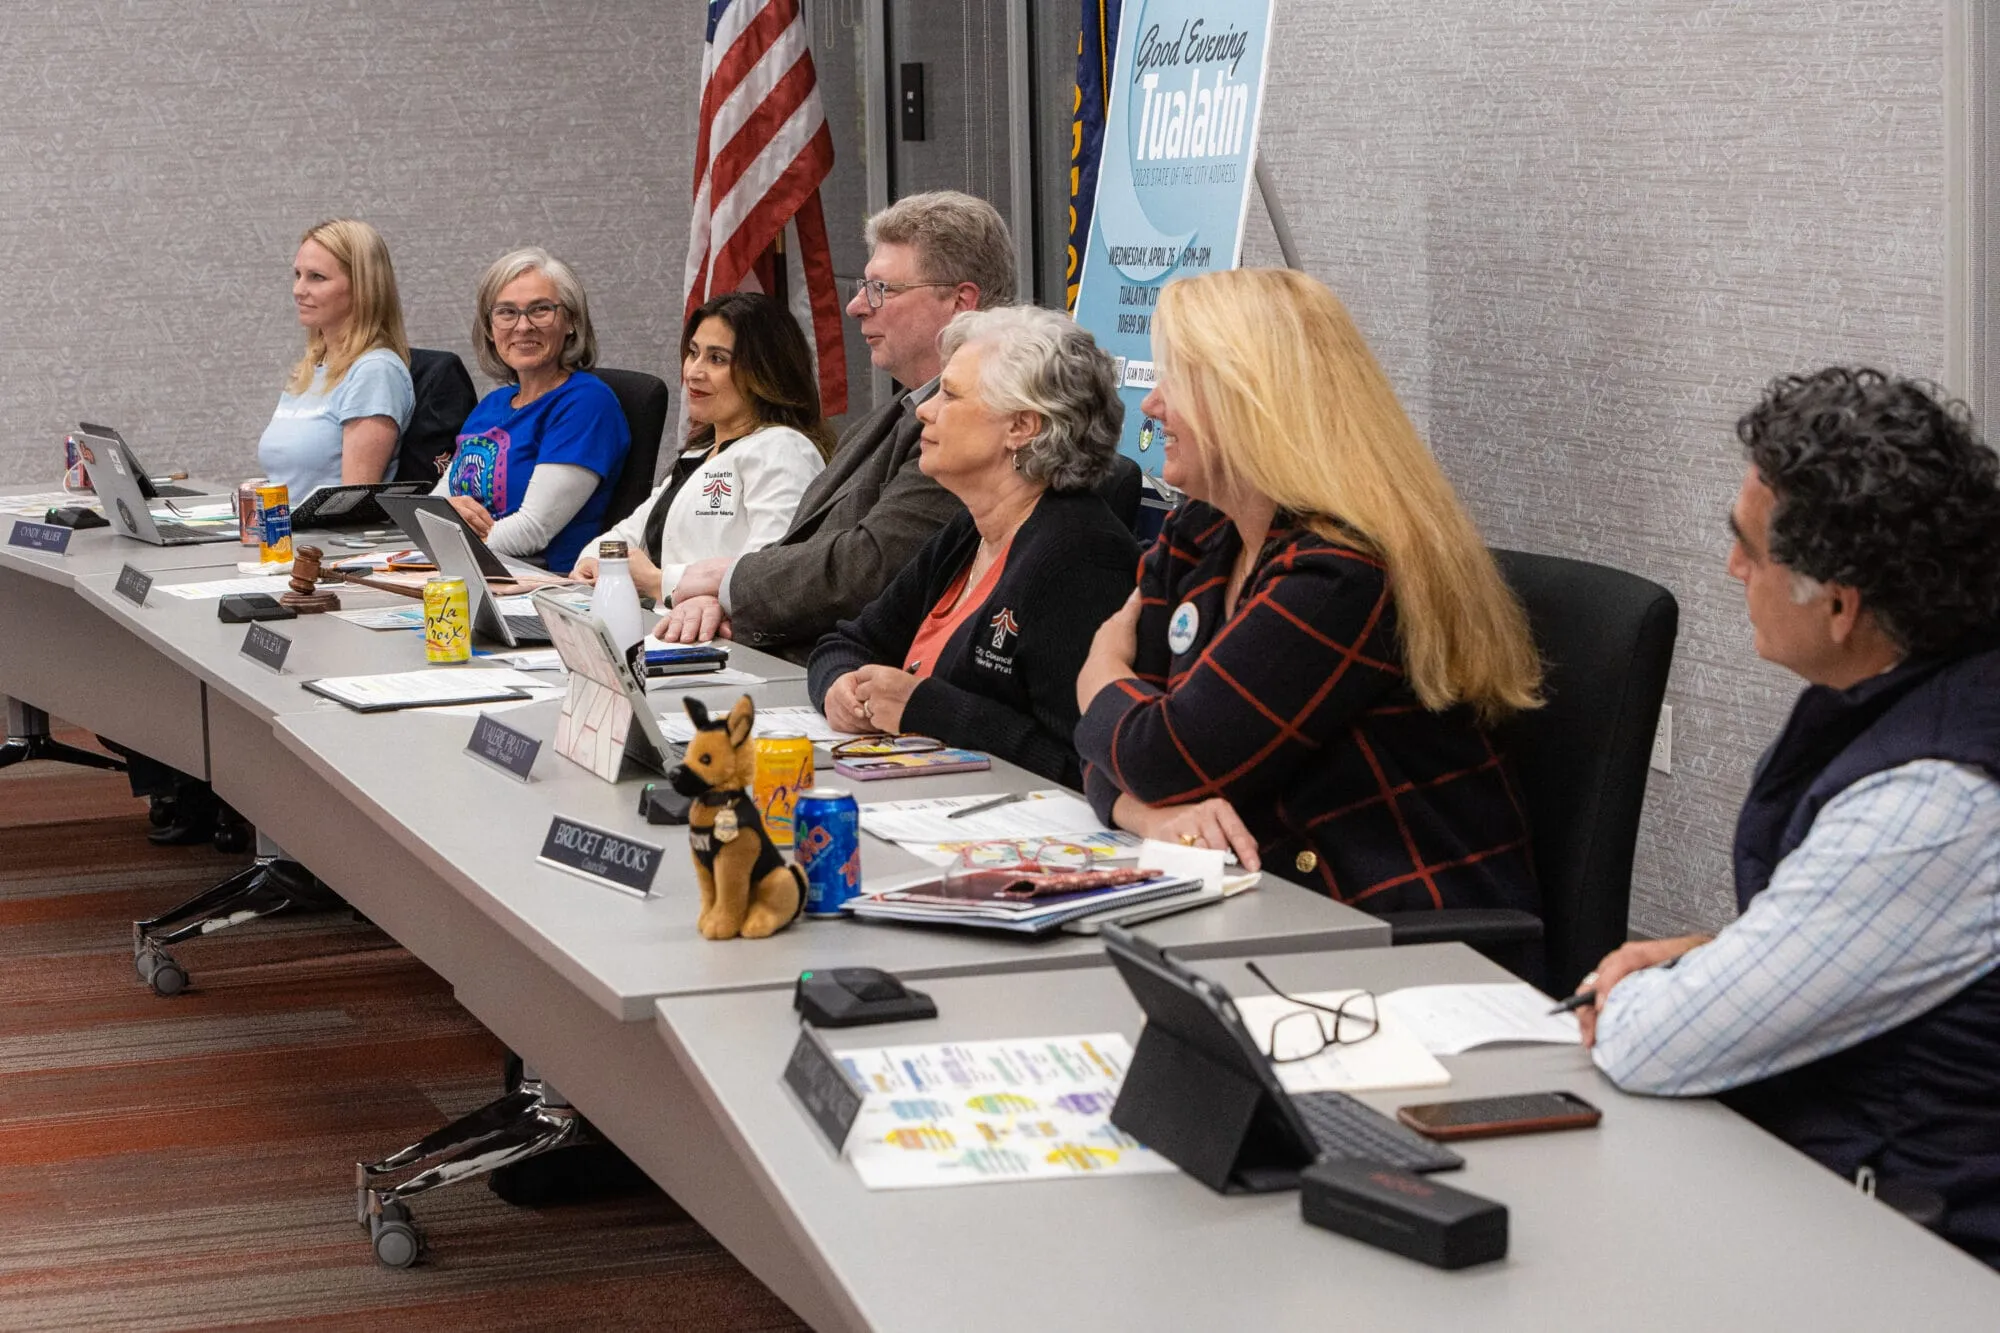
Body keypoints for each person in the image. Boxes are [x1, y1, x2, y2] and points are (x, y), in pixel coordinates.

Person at [1581, 368, 2000, 1270]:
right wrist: (1712, 953)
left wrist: (1634, 992)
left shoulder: (1935, 799)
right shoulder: (1924, 685)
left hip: (1920, 1255)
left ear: (1841, 604)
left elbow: (1658, 1044)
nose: (1733, 568)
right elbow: (1865, 926)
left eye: (1750, 550)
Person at [1074, 268, 1542, 913]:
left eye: (1174, 381)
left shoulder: (1343, 574)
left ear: (1251, 397)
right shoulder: (1201, 535)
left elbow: (1157, 754)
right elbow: (1114, 754)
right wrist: (1144, 816)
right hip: (1271, 903)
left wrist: (1098, 671)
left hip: (1401, 938)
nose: (1152, 405)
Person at [653, 190, 1015, 656]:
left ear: (960, 302)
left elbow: (868, 569)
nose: (857, 306)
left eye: (881, 289)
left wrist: (726, 584)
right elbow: (801, 545)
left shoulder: (979, 426)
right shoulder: (889, 416)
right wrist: (718, 600)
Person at [808, 307, 1135, 786]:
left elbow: (1086, 768)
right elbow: (847, 642)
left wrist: (928, 711)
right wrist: (839, 684)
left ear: (1021, 427)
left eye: (950, 394)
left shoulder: (1080, 560)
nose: (923, 408)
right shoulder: (969, 531)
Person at [571, 292, 831, 600]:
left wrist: (659, 581)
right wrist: (591, 561)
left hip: (727, 639)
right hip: (666, 626)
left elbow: (771, 575)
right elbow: (625, 534)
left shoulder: (784, 449)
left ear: (765, 371)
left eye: (717, 359)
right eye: (693, 353)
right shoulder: (699, 454)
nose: (693, 372)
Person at [433, 248, 630, 572]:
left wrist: (441, 541)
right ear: (489, 327)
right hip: (470, 572)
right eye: (506, 313)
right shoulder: (492, 405)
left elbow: (532, 532)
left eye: (540, 310)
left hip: (542, 586)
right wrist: (442, 523)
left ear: (571, 321)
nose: (523, 326)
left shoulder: (587, 403)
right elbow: (433, 507)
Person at [256, 218, 414, 499]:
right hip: (281, 536)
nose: (298, 290)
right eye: (297, 275)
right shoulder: (310, 369)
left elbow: (348, 505)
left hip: (323, 543)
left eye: (316, 277)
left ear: (361, 287)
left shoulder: (375, 372)